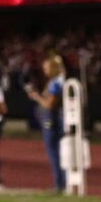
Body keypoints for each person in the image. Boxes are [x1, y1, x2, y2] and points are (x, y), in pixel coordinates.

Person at [26, 53, 68, 193]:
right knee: (55, 151)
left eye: (47, 67)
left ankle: (59, 184)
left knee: (53, 151)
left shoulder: (56, 83)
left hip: (50, 120)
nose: (44, 70)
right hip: (50, 119)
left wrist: (37, 97)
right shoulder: (56, 81)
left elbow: (50, 105)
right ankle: (60, 182)